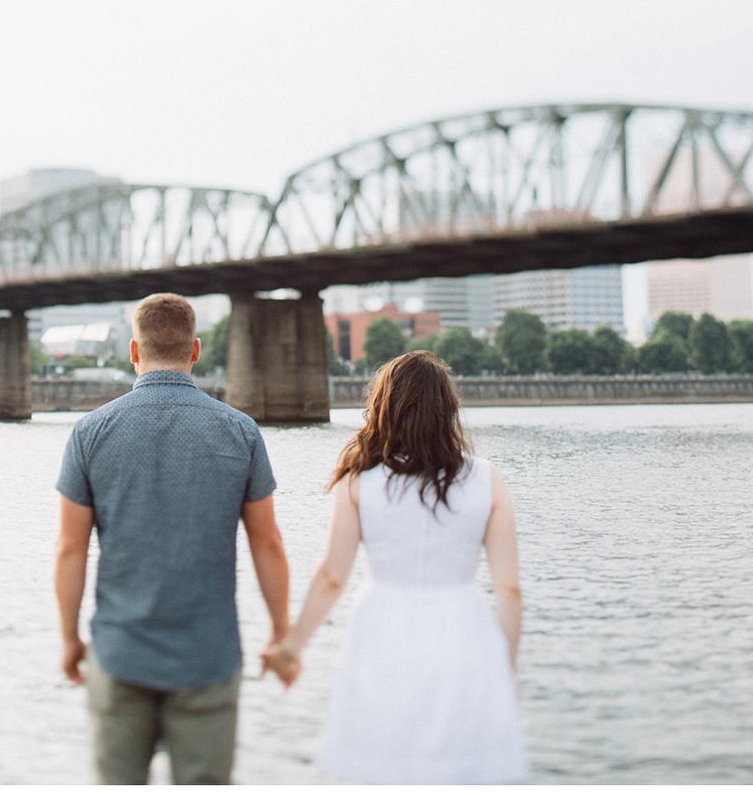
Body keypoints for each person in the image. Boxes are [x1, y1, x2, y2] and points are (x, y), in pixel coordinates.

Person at [54, 292, 291, 785]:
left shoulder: (90, 432)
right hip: (208, 655)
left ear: (134, 351)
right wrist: (280, 632)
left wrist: (70, 638)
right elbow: (266, 543)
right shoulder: (241, 432)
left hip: (120, 652)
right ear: (196, 350)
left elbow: (70, 549)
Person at [262, 350, 529, 784]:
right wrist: (506, 671)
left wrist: (291, 648)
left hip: (382, 628)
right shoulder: (486, 479)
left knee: (382, 766)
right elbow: (509, 590)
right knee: (458, 769)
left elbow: (332, 577)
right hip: (462, 629)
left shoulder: (359, 479)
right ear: (448, 409)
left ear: (384, 406)